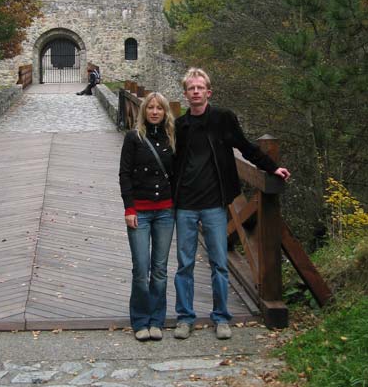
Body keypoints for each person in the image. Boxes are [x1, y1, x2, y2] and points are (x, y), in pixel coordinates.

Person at [173, 68, 291, 341]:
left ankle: (221, 317)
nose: (196, 92)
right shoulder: (180, 126)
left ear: (208, 92)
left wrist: (272, 168)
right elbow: (172, 162)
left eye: (200, 88)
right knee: (184, 264)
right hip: (186, 205)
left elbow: (246, 147)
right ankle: (184, 317)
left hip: (214, 203)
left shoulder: (223, 119)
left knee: (219, 263)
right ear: (185, 93)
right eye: (191, 88)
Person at [119, 92, 176, 341]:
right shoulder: (134, 138)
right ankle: (140, 320)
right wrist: (129, 208)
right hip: (140, 212)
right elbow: (124, 174)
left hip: (165, 211)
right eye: (150, 108)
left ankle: (157, 320)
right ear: (143, 111)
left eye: (159, 108)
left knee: (160, 269)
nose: (154, 112)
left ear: (165, 112)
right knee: (141, 269)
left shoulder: (173, 138)